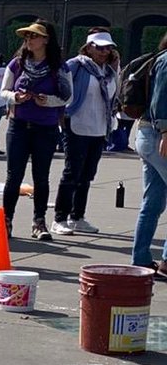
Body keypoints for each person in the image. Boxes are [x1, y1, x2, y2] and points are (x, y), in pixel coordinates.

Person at [1, 19, 72, 241]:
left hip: (46, 127)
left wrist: (48, 101)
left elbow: (68, 97)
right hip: (19, 125)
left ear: (46, 40)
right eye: (27, 36)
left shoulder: (59, 67)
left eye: (34, 36)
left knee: (41, 177)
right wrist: (15, 97)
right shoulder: (17, 63)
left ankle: (39, 221)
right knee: (14, 176)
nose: (29, 40)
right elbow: (2, 91)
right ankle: (7, 220)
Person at [51, 31, 120, 236]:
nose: (104, 51)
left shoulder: (108, 71)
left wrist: (116, 67)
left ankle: (77, 216)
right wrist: (61, 112)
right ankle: (59, 218)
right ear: (88, 47)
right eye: (99, 47)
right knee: (72, 173)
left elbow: (114, 95)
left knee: (87, 175)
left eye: (108, 48)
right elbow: (59, 85)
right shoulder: (76, 65)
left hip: (99, 128)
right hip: (77, 125)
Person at [131, 34, 167, 278]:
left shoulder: (161, 59)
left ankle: (141, 259)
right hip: (158, 135)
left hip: (150, 134)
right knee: (152, 203)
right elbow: (160, 100)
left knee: (152, 202)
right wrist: (165, 130)